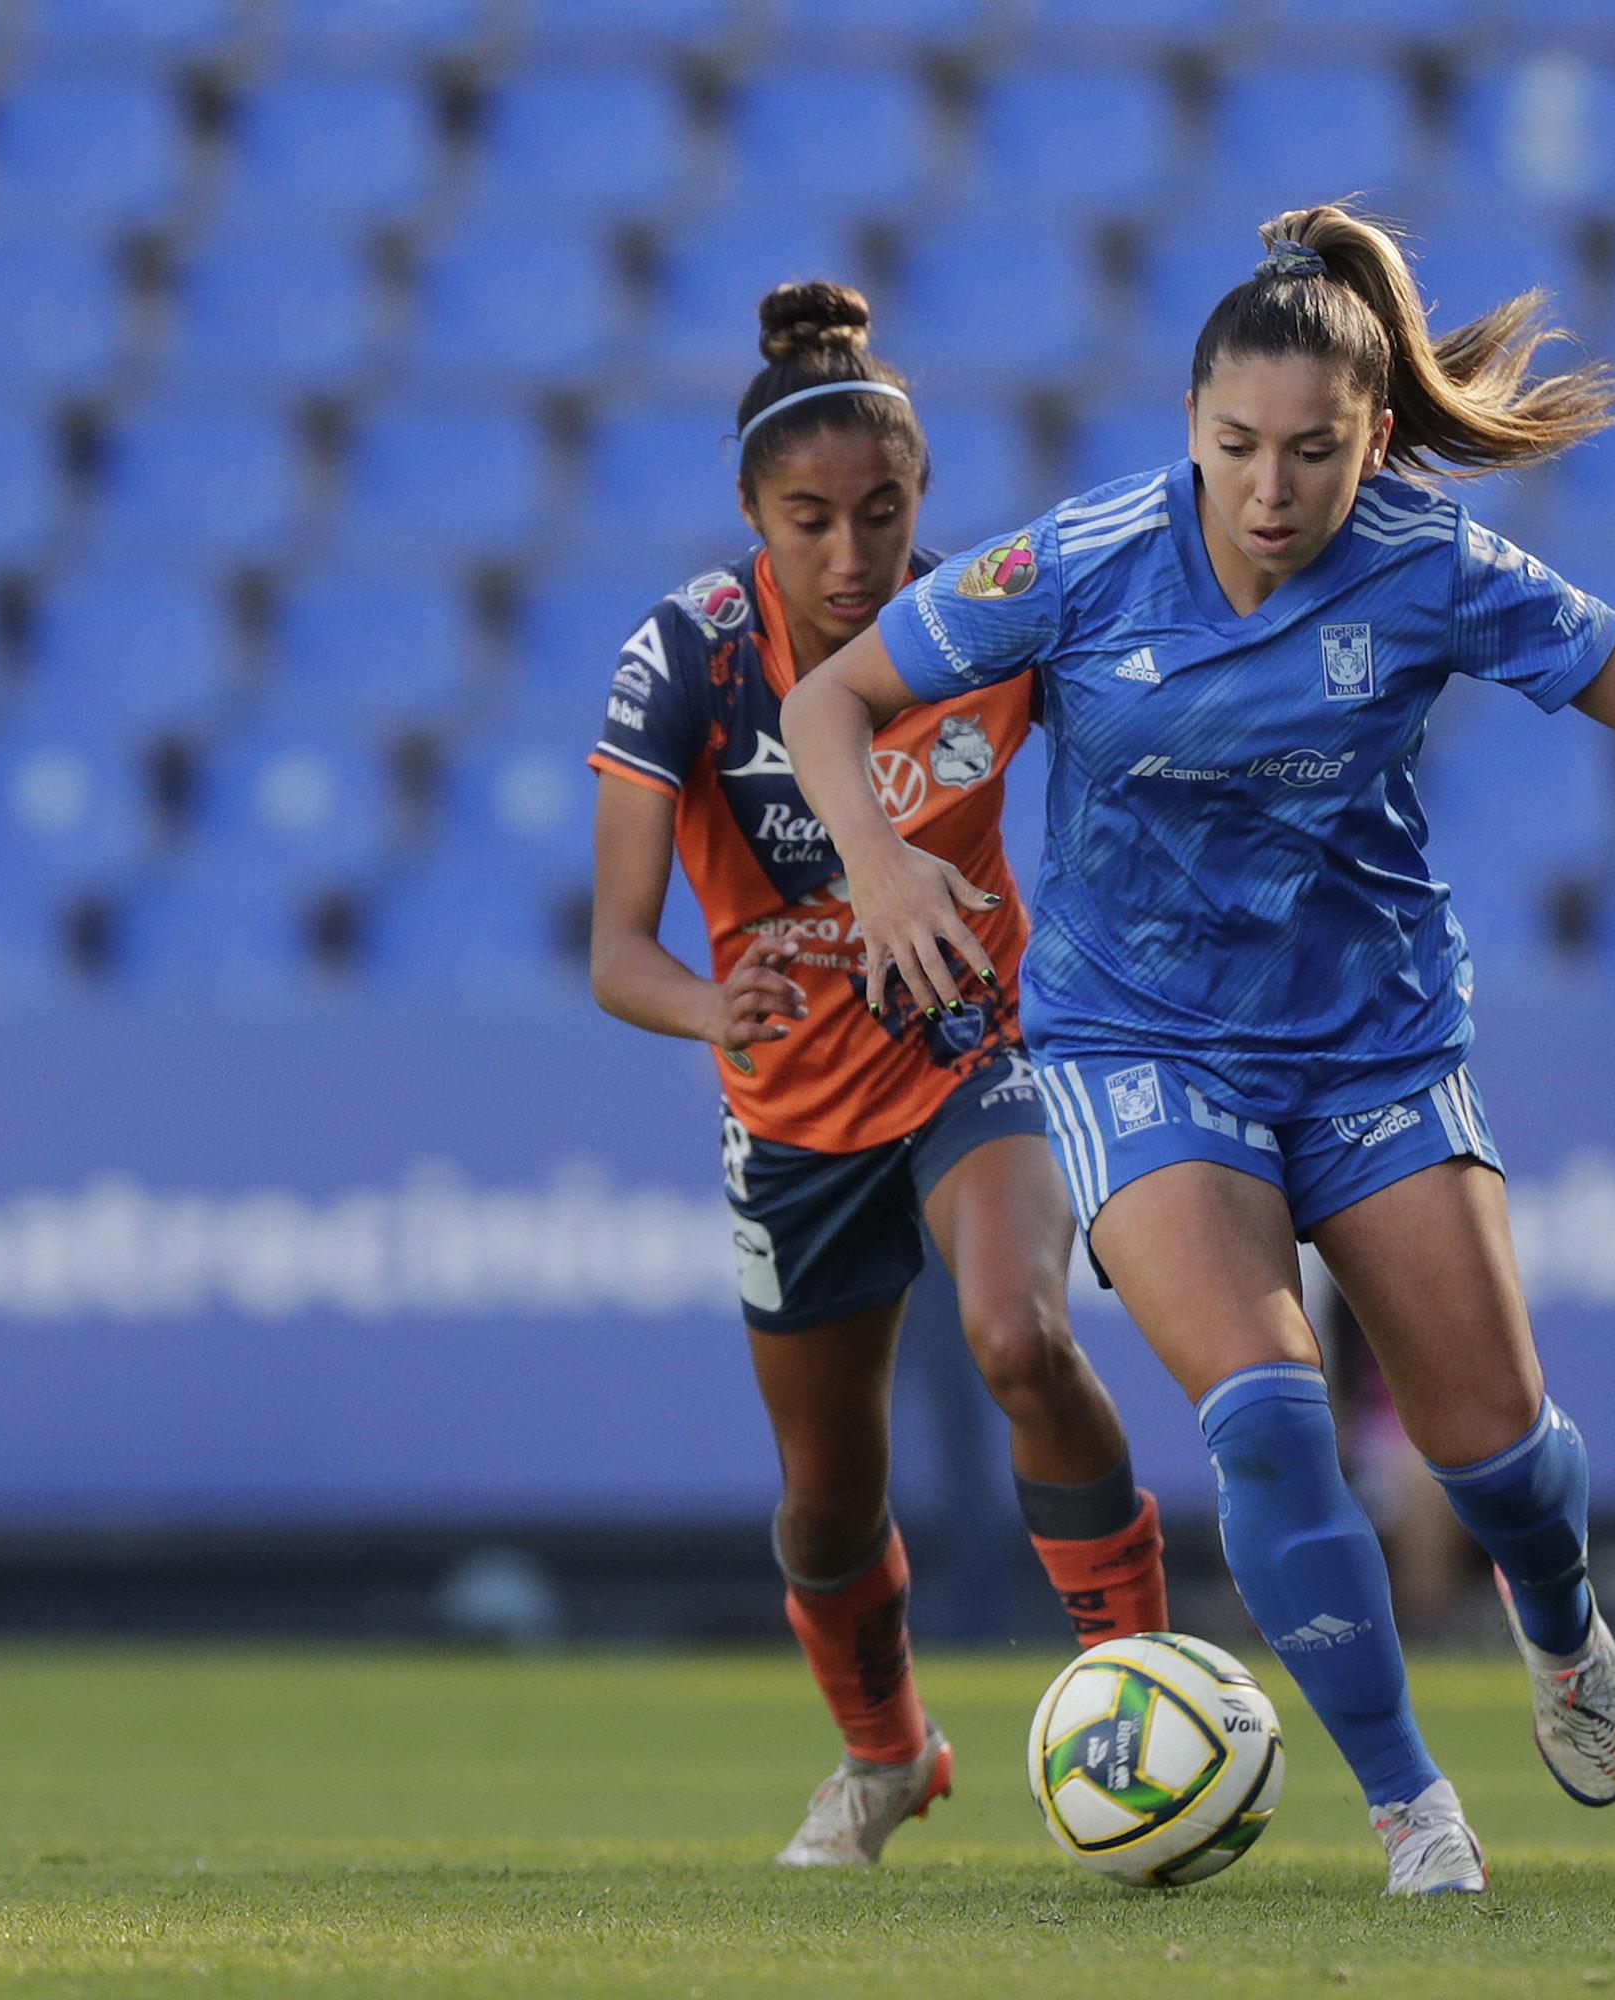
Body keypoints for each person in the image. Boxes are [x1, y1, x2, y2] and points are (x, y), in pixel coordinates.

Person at [779, 203, 1615, 1896]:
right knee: (1274, 1418)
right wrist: (874, 856)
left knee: (1497, 1457)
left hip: (1371, 1045)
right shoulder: (1074, 564)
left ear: (1375, 435)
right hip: (1134, 1040)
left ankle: (1561, 1619)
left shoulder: (1436, 567)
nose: (1270, 491)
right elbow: (825, 702)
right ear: (1190, 429)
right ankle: (1411, 1809)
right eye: (1234, 448)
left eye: (1311, 451)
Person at [585, 283, 1169, 1870]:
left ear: (925, 503)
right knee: (829, 1503)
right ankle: (889, 1755)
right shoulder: (690, 658)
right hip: (790, 1116)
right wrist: (717, 1013)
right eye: (810, 520)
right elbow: (616, 954)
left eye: (884, 513)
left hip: (974, 1052)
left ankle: (1142, 1705)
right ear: (751, 513)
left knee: (1020, 1337)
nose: (850, 559)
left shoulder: (980, 622)